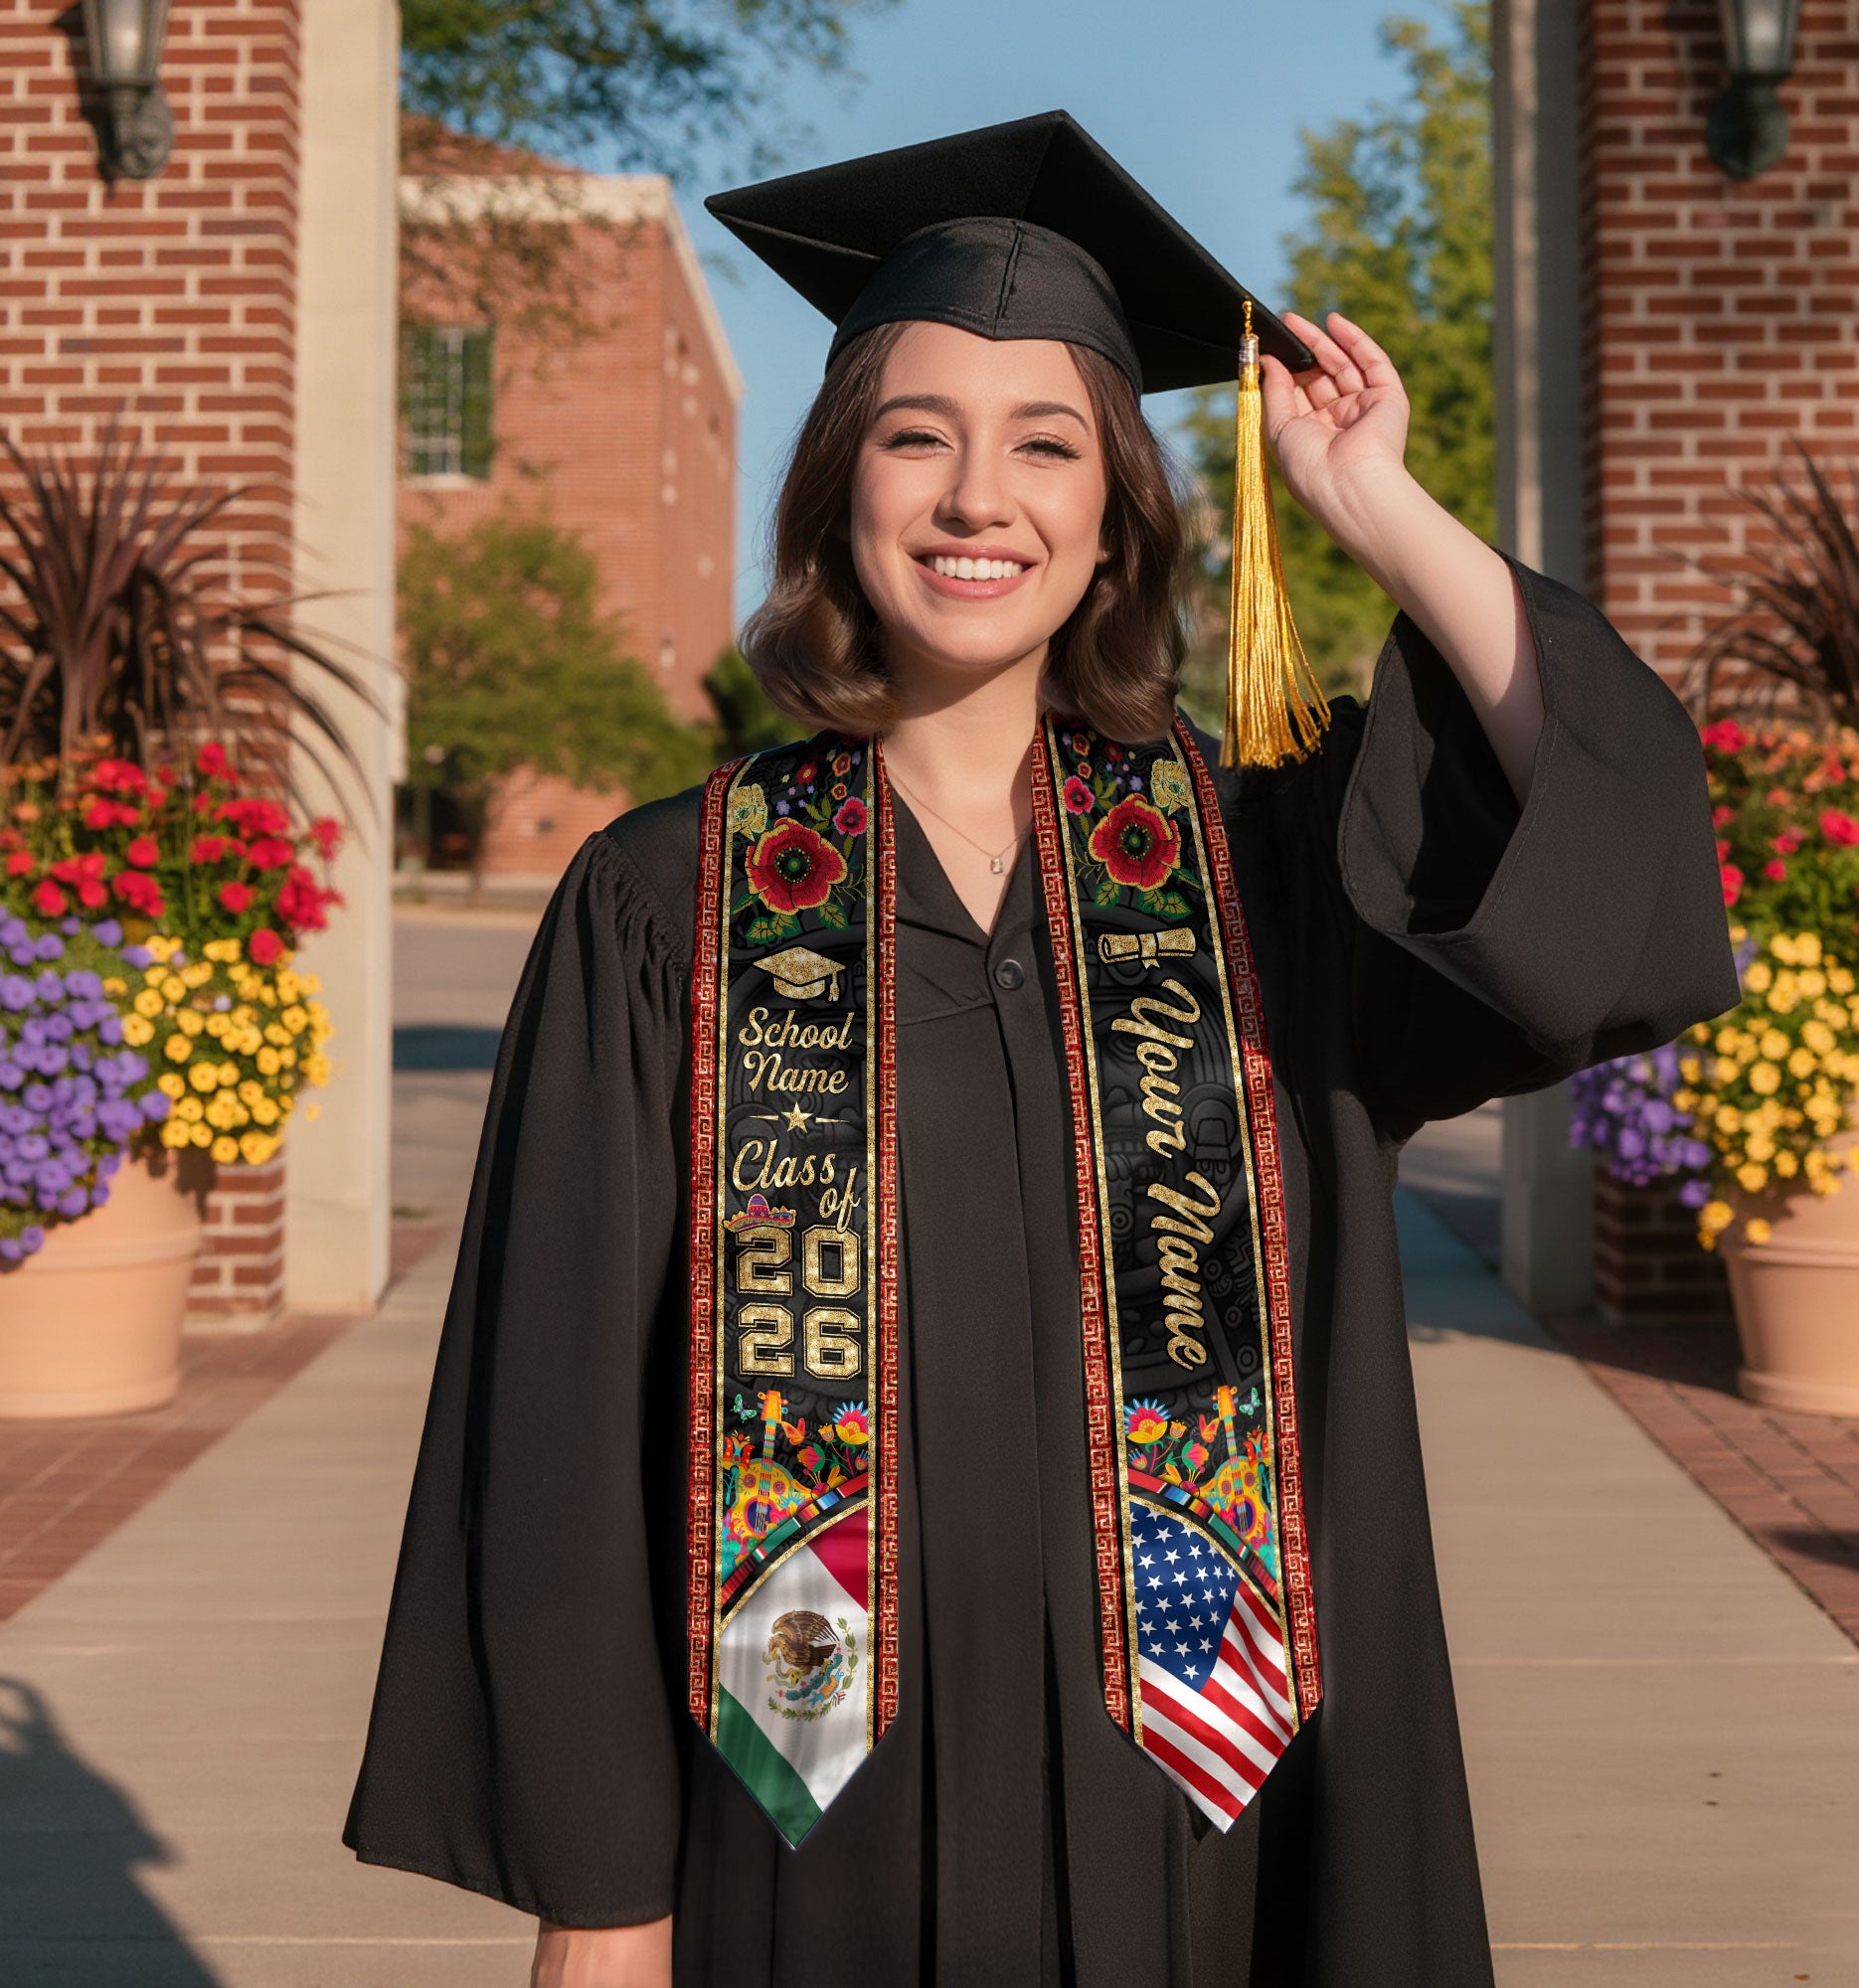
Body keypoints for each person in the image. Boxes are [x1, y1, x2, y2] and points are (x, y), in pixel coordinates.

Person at [343, 112, 1739, 1987]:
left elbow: (1605, 855)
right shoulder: (666, 904)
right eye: (918, 436)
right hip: (799, 1822)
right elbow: (562, 1427)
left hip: (1220, 1825)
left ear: (1114, 519)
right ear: (842, 485)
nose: (975, 497)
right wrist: (601, 1896)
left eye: (1046, 445)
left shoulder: (1268, 879)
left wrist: (1375, 506)